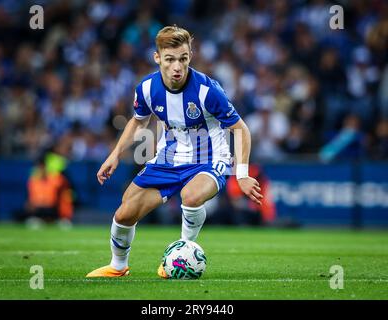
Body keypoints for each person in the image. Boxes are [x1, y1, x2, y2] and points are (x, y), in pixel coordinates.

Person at [86, 25, 263, 278]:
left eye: (183, 58)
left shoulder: (207, 90)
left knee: (190, 196)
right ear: (157, 58)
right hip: (168, 159)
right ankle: (118, 266)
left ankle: (180, 255)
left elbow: (241, 129)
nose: (177, 67)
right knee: (124, 212)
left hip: (210, 159)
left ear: (190, 56)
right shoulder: (147, 88)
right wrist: (115, 154)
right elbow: (139, 120)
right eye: (170, 59)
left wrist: (242, 174)